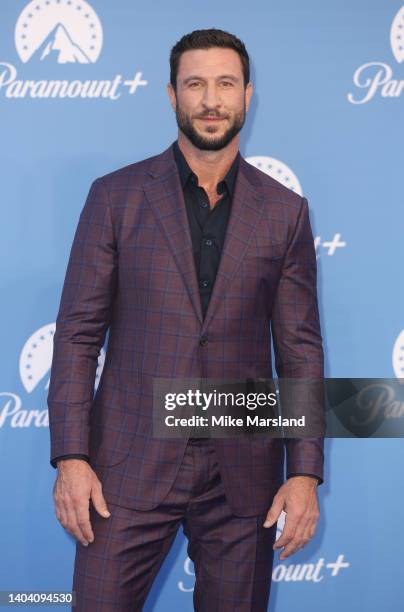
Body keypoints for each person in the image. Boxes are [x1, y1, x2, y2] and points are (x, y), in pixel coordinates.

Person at [48, 28, 324, 611]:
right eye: (194, 84)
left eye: (225, 83)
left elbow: (299, 350)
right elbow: (76, 335)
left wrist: (304, 473)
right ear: (171, 96)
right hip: (126, 465)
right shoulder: (115, 198)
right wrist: (72, 457)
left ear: (248, 94)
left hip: (241, 476)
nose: (210, 99)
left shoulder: (285, 212)